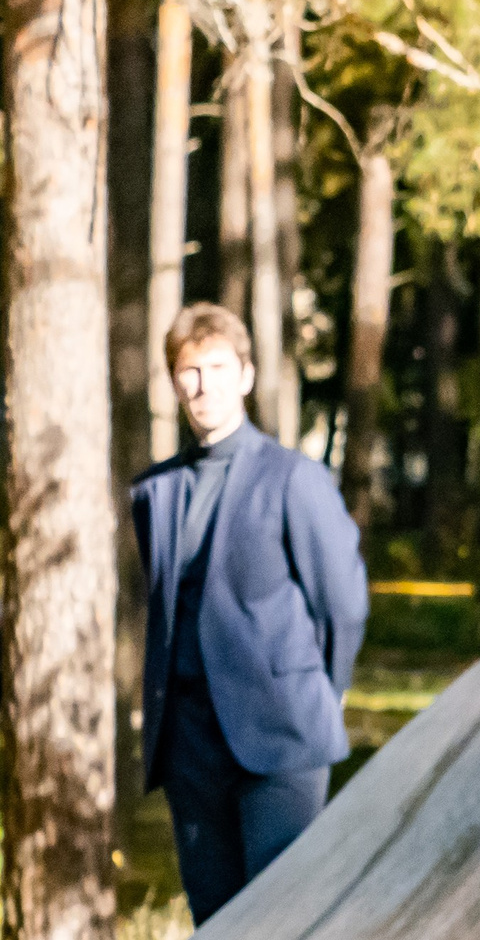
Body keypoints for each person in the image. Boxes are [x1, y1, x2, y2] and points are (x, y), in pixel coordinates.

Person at [131, 303, 368, 923]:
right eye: (189, 371)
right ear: (175, 380)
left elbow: (342, 604)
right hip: (188, 749)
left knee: (282, 920)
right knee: (216, 921)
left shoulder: (295, 479)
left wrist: (325, 690)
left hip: (282, 739)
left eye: (216, 367)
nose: (202, 385)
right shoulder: (153, 492)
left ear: (246, 376)